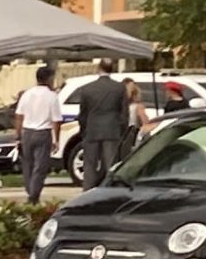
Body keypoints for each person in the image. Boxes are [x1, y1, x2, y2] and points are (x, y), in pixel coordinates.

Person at [70, 60, 133, 187]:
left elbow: (83, 113)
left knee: (90, 164)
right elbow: (124, 113)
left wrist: (84, 130)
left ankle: (88, 190)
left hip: (92, 130)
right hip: (112, 130)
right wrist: (122, 131)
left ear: (99, 69)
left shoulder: (87, 89)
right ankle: (108, 189)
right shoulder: (119, 88)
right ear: (112, 69)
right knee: (111, 164)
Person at [13, 65, 62, 205]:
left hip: (27, 131)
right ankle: (34, 194)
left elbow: (18, 116)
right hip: (43, 132)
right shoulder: (52, 96)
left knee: (28, 165)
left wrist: (18, 135)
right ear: (49, 79)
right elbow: (56, 120)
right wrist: (56, 139)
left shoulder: (27, 94)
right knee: (40, 166)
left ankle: (30, 190)